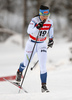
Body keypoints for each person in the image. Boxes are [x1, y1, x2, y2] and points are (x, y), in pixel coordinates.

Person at [16, 5, 54, 93]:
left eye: (47, 15)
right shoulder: (34, 20)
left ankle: (43, 86)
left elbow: (51, 31)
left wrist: (51, 40)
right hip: (31, 44)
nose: (45, 17)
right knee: (26, 63)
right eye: (43, 15)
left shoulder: (50, 22)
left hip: (42, 44)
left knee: (43, 66)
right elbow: (29, 31)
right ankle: (19, 72)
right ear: (40, 14)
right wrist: (37, 27)